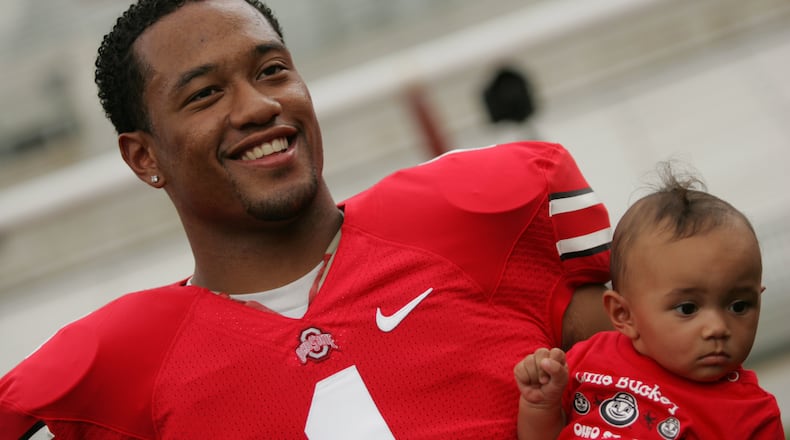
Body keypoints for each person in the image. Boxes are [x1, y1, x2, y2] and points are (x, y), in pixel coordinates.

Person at [0, 0, 613, 438]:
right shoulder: (123, 365)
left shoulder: (473, 224)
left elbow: (675, 372)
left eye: (271, 70)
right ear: (143, 156)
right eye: (205, 94)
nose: (261, 105)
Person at [514, 167, 786, 439]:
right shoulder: (586, 359)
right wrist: (541, 404)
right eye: (688, 309)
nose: (717, 328)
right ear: (623, 314)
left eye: (738, 306)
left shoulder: (752, 415)